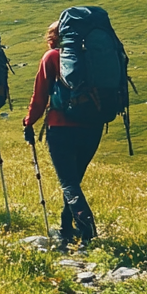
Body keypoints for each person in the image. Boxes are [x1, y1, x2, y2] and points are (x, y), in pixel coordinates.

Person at [23, 15, 113, 247]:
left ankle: (87, 231)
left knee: (69, 182)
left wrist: (29, 122)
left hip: (61, 128)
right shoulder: (95, 57)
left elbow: (40, 96)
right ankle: (65, 228)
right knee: (75, 179)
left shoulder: (52, 56)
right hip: (93, 128)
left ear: (54, 37)